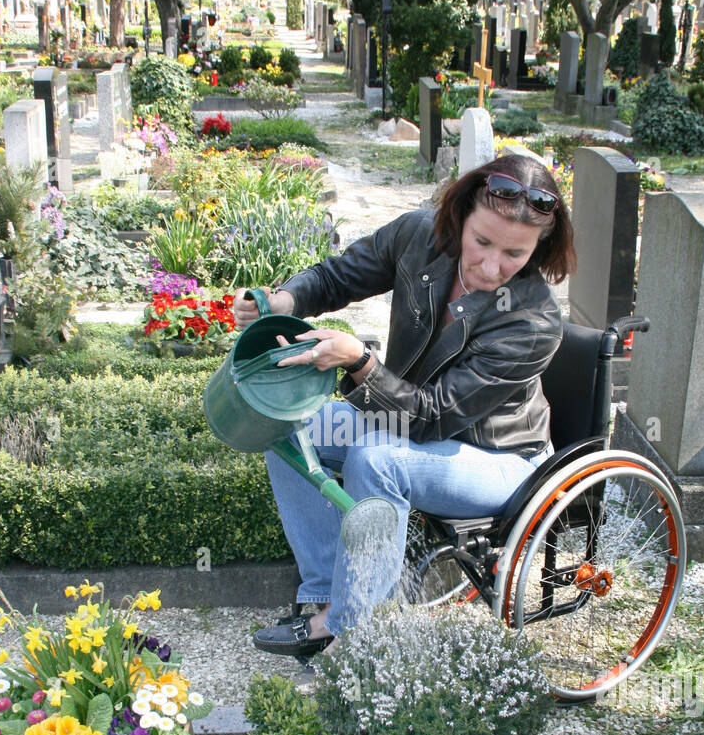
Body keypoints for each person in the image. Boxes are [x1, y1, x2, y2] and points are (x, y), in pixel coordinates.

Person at [232, 153, 576, 660]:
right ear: (460, 217)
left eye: (514, 254)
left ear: (539, 246)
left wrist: (359, 362)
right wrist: (283, 300)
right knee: (291, 426)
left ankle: (356, 630)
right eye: (481, 241)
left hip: (502, 460)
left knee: (378, 459)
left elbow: (432, 418)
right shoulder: (420, 236)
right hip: (408, 421)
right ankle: (327, 595)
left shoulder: (532, 320)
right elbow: (339, 277)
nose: (490, 266)